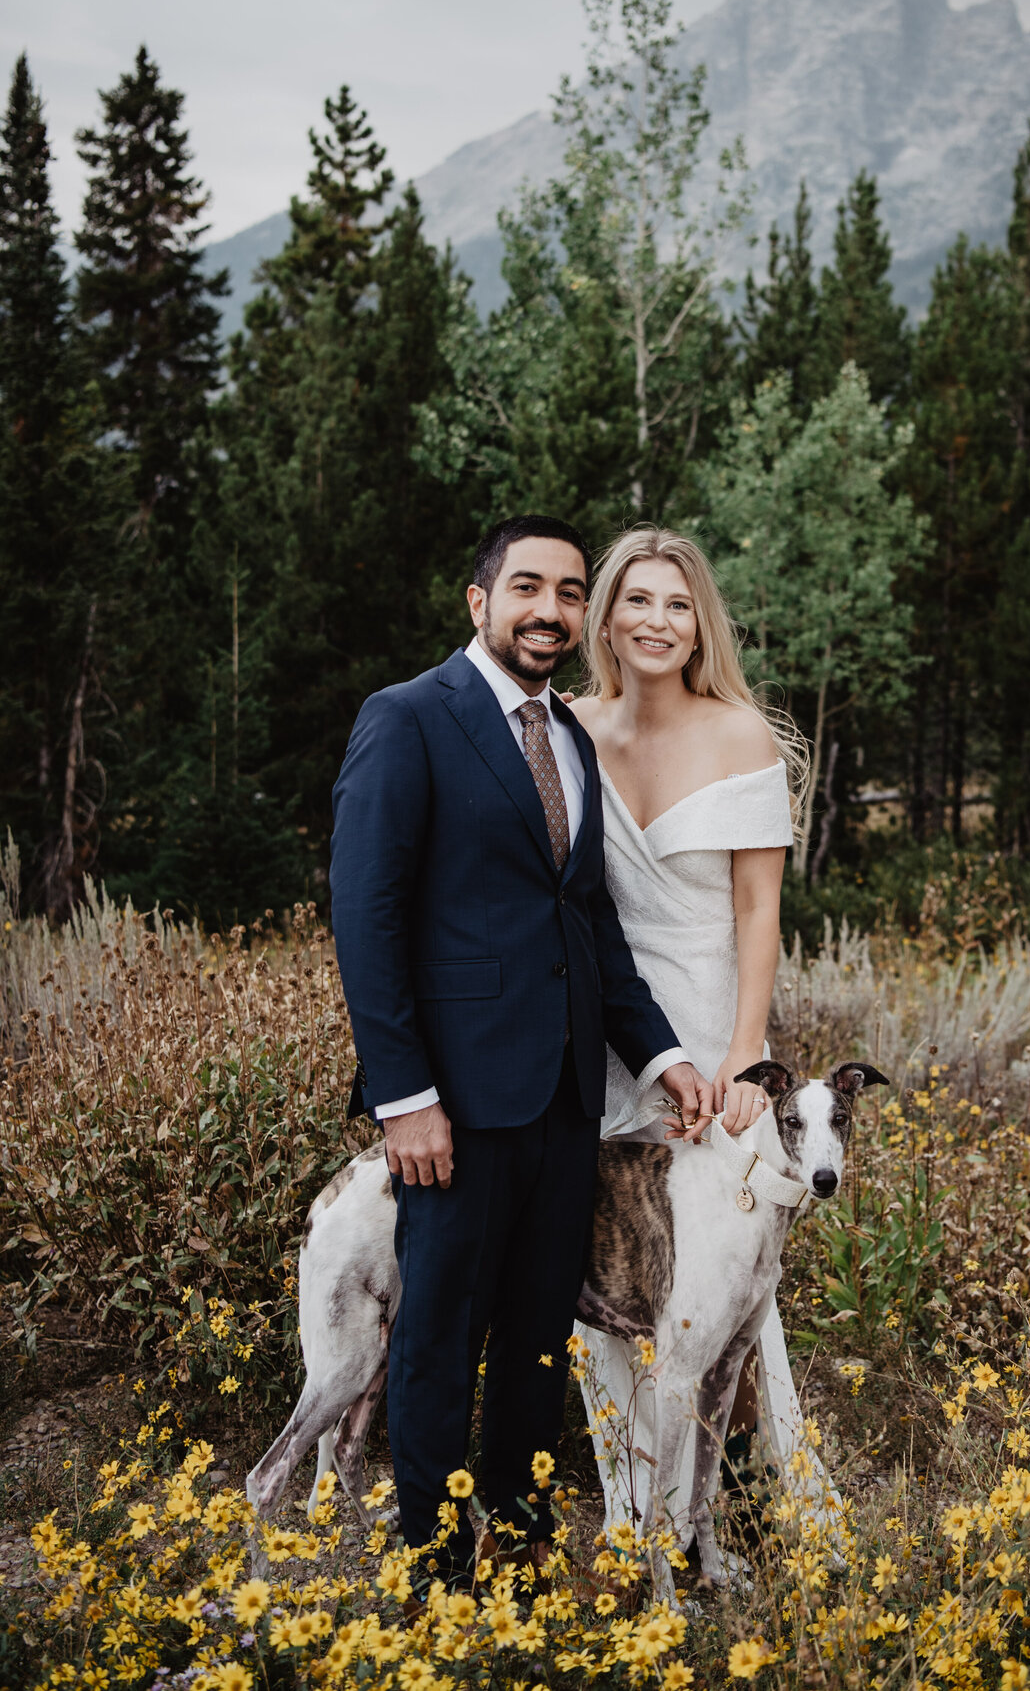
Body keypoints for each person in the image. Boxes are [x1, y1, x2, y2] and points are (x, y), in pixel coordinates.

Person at [329, 514, 713, 1590]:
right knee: (440, 1339)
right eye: (528, 588)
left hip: (561, 1101)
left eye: (569, 593)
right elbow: (368, 917)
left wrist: (662, 1056)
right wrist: (404, 1096)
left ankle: (525, 1556)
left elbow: (589, 927)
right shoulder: (407, 719)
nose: (551, 611)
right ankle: (438, 1572)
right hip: (449, 1103)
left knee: (541, 1343)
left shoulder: (573, 740)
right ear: (479, 600)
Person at [569, 525, 840, 1545]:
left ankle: (728, 1510)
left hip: (711, 1029)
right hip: (598, 1033)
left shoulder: (739, 736)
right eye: (637, 599)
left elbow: (759, 911)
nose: (656, 620)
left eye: (677, 604)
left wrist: (745, 1052)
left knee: (721, 1278)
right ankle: (625, 1507)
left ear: (699, 623)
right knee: (602, 1279)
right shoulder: (569, 727)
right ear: (606, 615)